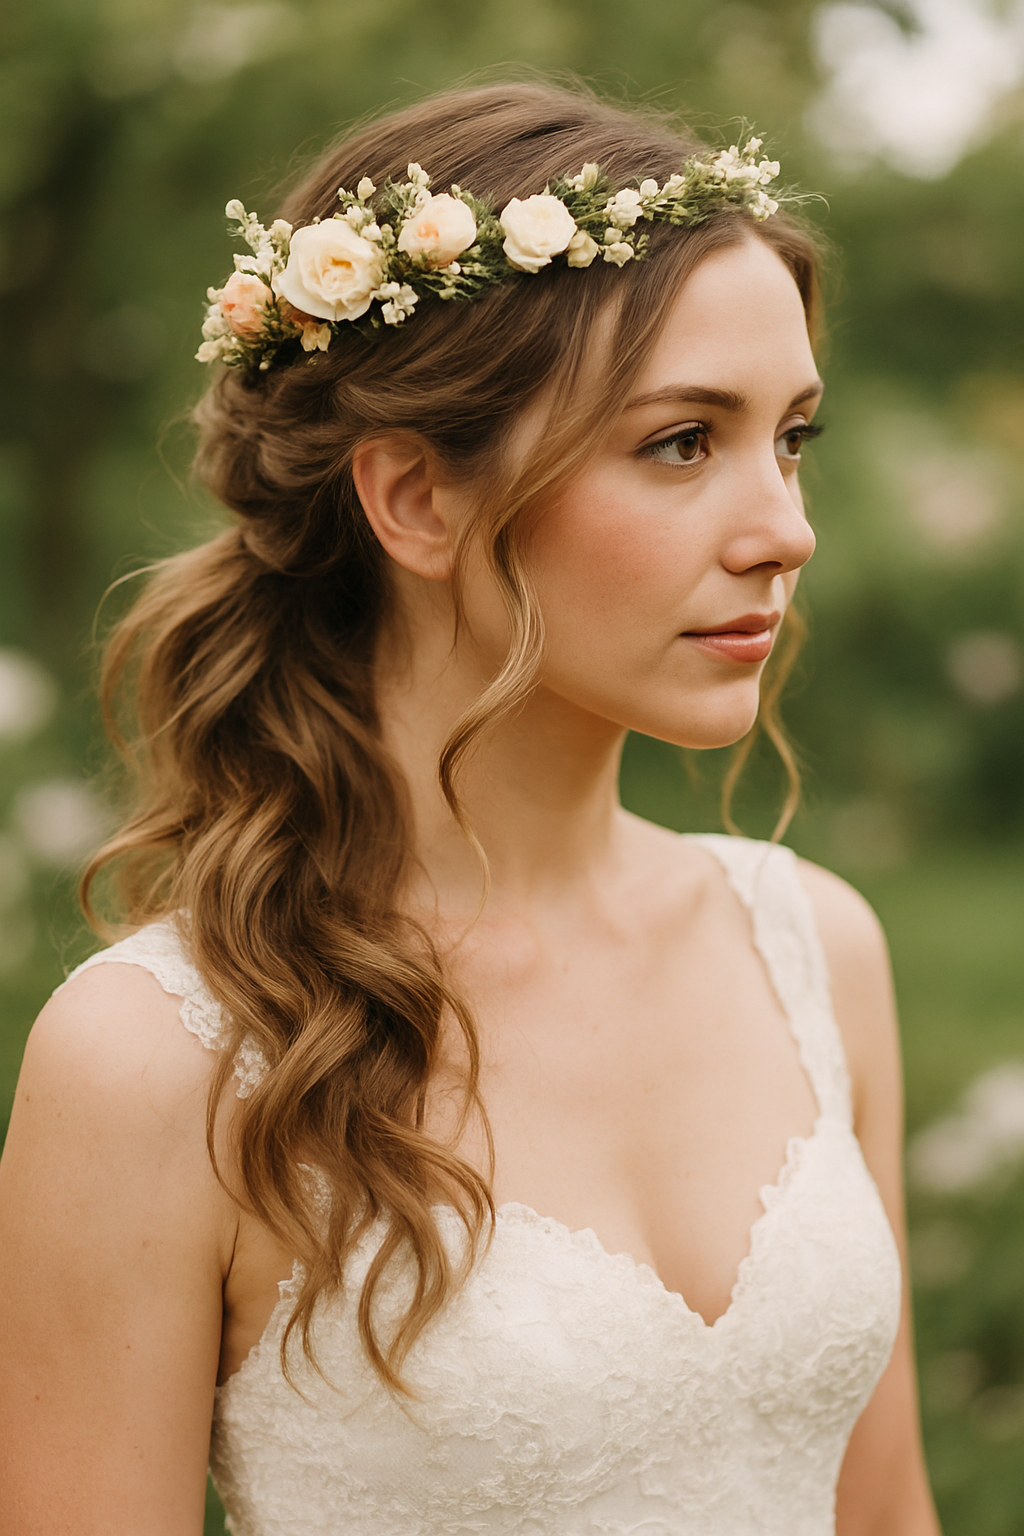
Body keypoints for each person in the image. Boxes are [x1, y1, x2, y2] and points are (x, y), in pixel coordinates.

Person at [0, 81, 940, 1535]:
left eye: (791, 436)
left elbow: (884, 1513)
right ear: (418, 501)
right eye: (684, 442)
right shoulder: (162, 1062)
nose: (787, 531)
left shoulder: (814, 947)